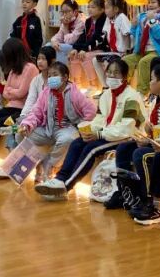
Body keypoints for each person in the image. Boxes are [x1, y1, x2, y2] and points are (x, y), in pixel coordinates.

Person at [35, 58, 145, 199]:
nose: (111, 76)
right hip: (108, 133)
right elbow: (99, 119)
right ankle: (59, 179)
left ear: (124, 77)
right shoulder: (106, 95)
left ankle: (65, 187)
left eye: (116, 73)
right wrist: (89, 131)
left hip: (128, 137)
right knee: (77, 143)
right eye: (109, 72)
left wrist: (98, 134)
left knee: (91, 149)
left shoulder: (132, 97)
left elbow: (126, 128)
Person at [0, 62, 96, 183]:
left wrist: (82, 126)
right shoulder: (46, 92)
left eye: (55, 75)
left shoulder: (75, 93)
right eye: (49, 76)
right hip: (47, 128)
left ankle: (49, 164)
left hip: (66, 128)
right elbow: (36, 112)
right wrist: (27, 124)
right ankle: (28, 164)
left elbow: (91, 110)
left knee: (68, 139)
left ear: (65, 77)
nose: (51, 78)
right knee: (20, 132)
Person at [112, 62, 160, 219]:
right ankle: (126, 193)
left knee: (141, 154)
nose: (149, 82)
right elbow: (150, 127)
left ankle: (148, 200)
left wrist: (151, 142)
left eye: (152, 79)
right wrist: (147, 130)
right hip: (153, 143)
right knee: (123, 148)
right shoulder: (154, 101)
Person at [68, 0, 107, 90]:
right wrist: (76, 48)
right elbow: (83, 36)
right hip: (89, 48)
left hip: (101, 48)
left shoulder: (104, 20)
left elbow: (96, 37)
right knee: (74, 56)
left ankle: (93, 85)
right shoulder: (89, 21)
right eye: (88, 7)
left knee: (86, 56)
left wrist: (84, 49)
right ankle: (77, 84)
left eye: (93, 7)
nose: (89, 9)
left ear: (102, 9)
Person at [95, 0, 133, 86]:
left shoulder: (122, 18)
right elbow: (105, 34)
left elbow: (127, 35)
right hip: (114, 51)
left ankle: (114, 86)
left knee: (107, 62)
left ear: (116, 9)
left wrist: (127, 51)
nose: (105, 11)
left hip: (123, 52)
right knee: (95, 60)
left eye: (107, 8)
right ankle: (105, 86)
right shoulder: (108, 19)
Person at [49, 0, 86, 65]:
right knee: (49, 46)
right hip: (69, 45)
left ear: (75, 12)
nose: (64, 14)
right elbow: (58, 36)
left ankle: (61, 69)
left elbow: (70, 42)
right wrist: (54, 42)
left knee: (61, 48)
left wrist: (65, 26)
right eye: (62, 12)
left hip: (77, 47)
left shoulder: (82, 21)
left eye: (67, 11)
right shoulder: (67, 20)